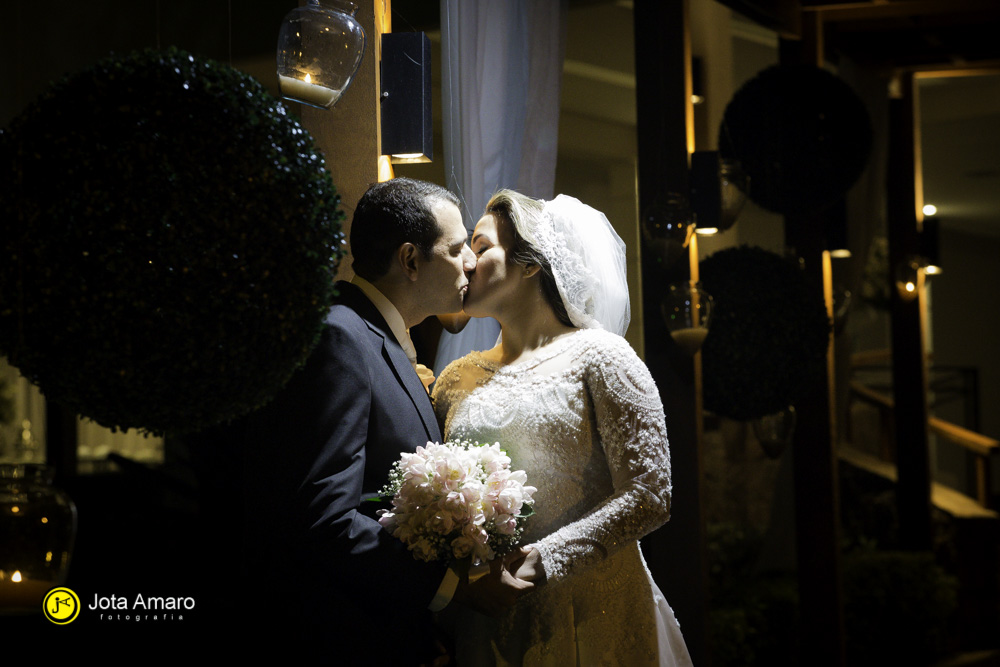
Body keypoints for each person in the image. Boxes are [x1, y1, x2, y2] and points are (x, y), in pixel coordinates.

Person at [195, 177, 531, 662]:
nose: (471, 262)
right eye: (457, 248)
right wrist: (448, 587)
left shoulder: (375, 337)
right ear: (411, 260)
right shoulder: (340, 338)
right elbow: (323, 517)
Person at [432, 190, 693, 666]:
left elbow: (651, 495)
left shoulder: (602, 357)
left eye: (482, 245)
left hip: (592, 608)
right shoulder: (455, 378)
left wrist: (546, 560)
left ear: (531, 264)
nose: (467, 262)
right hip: (488, 617)